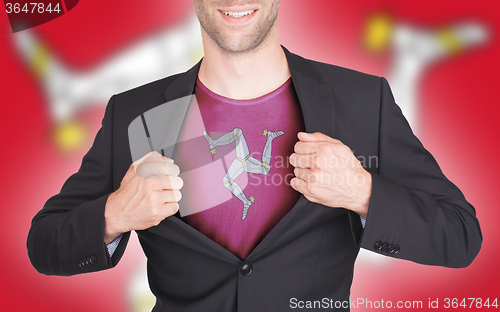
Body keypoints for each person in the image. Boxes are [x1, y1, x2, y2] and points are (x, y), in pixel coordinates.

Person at [27, 0, 482, 311]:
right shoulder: (137, 113)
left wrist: (363, 191)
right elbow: (44, 245)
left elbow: (460, 236)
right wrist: (114, 215)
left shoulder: (363, 102)